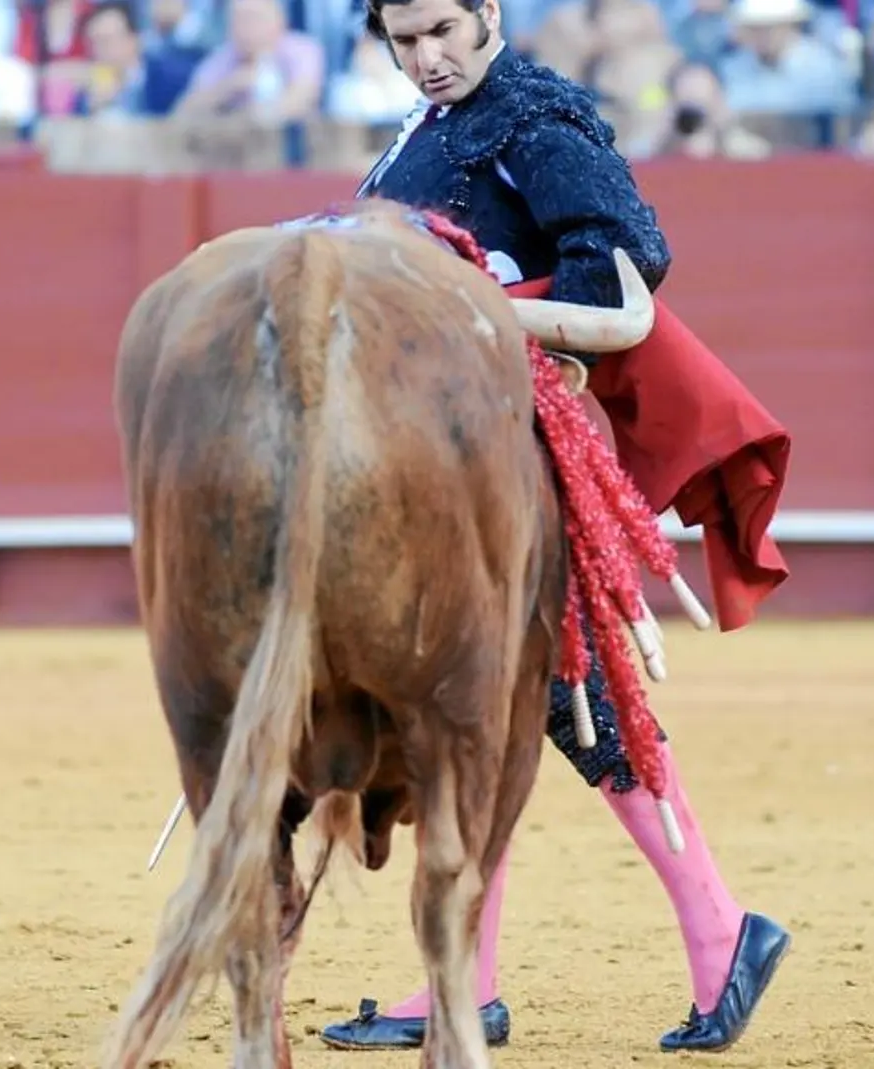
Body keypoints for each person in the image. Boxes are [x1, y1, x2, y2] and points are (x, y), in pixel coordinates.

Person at [318, 0, 796, 1054]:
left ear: (489, 11)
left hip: (513, 466)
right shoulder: (423, 130)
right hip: (439, 466)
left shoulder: (532, 114)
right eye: (404, 40)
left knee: (583, 707)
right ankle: (471, 981)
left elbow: (622, 267)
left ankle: (718, 931)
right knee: (487, 717)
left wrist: (462, 304)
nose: (427, 57)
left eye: (444, 28)